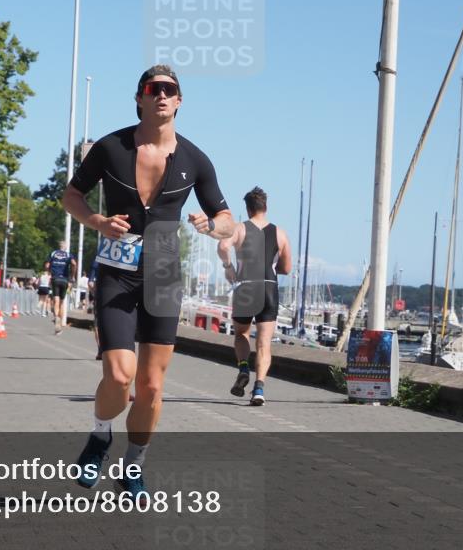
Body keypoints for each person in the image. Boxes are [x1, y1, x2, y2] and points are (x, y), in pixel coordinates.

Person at [62, 64, 235, 500]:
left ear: (179, 101)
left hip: (162, 276)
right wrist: (98, 221)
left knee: (151, 386)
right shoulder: (109, 147)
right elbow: (71, 195)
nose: (161, 95)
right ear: (139, 98)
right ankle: (100, 437)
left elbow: (227, 219)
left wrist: (210, 226)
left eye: (169, 90)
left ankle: (133, 465)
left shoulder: (195, 159)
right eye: (152, 89)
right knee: (120, 376)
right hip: (116, 273)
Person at [217, 187, 292, 406]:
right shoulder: (280, 233)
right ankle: (259, 389)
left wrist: (228, 266)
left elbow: (222, 246)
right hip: (268, 286)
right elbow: (286, 267)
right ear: (265, 207)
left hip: (246, 286)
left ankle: (243, 368)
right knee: (264, 342)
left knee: (241, 333)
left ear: (248, 209)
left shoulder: (240, 228)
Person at [46, 241, 77, 335]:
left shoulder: (53, 253)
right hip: (64, 280)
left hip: (55, 279)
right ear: (65, 247)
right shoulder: (68, 254)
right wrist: (72, 275)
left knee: (56, 300)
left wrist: (50, 272)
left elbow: (47, 265)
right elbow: (74, 263)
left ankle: (56, 317)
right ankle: (60, 325)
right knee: (62, 302)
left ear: (58, 247)